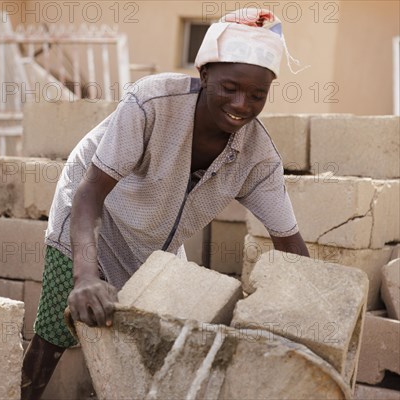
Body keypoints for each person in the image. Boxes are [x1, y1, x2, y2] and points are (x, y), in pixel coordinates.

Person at [21, 8, 310, 399]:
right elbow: (89, 195)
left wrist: (309, 314)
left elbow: (290, 246)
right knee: (57, 331)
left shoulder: (257, 158)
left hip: (157, 244)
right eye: (230, 88)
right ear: (204, 74)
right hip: (92, 216)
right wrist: (86, 277)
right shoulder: (152, 103)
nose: (242, 104)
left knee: (165, 347)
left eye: (257, 95)